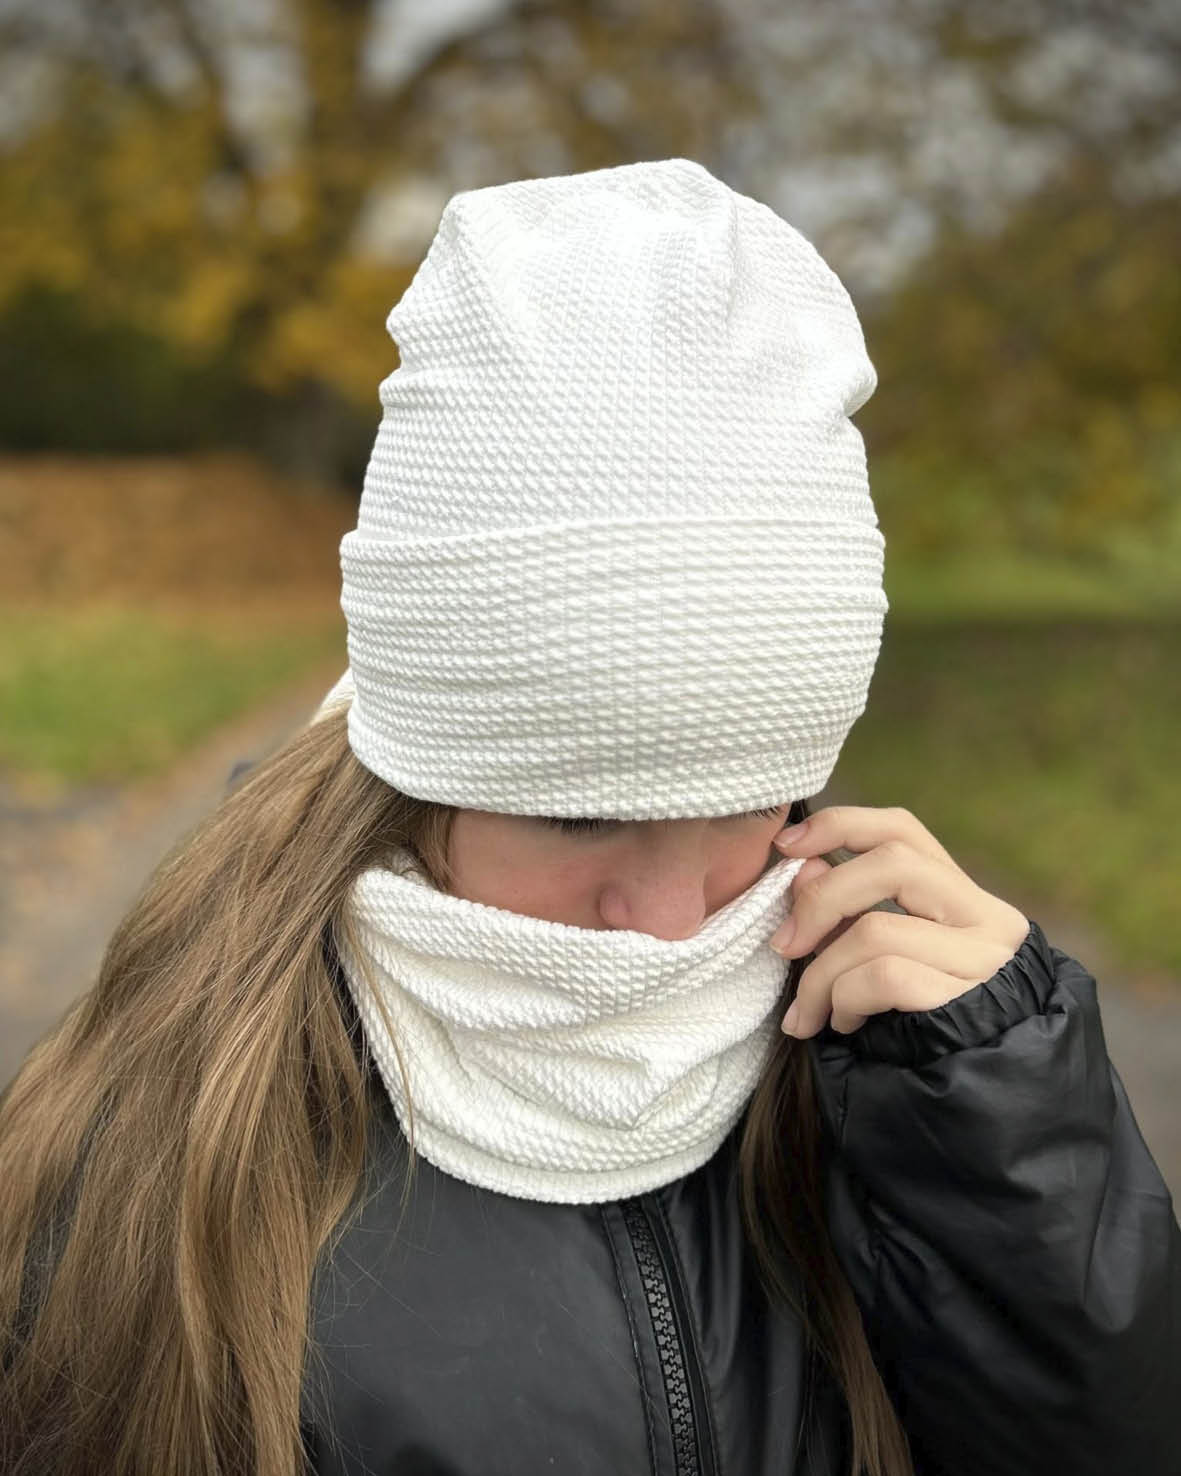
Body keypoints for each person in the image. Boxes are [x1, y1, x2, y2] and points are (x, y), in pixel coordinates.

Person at [0, 158, 1177, 1476]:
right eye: (580, 820)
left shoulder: (921, 1060)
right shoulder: (171, 1120)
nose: (671, 924)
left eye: (746, 804)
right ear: (418, 766)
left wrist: (1013, 1137)